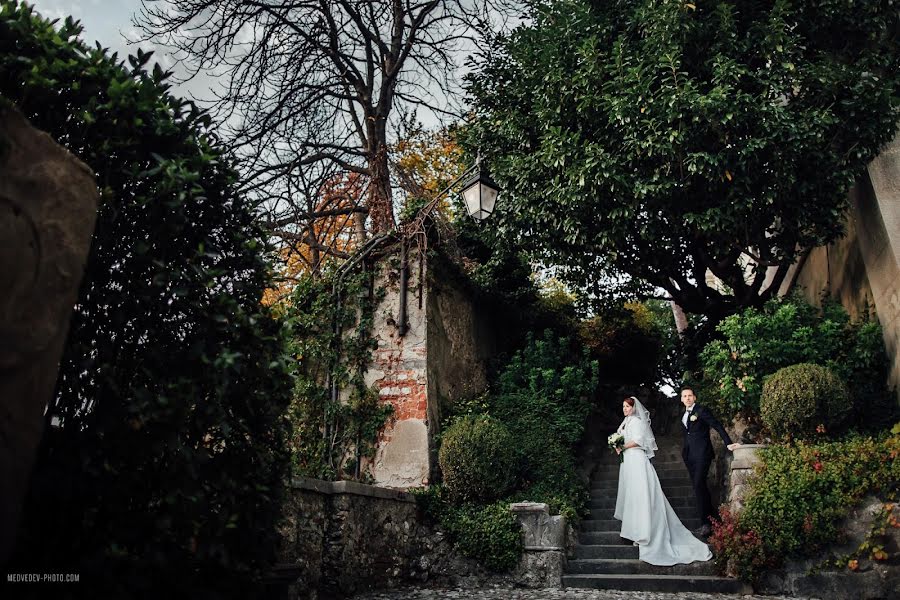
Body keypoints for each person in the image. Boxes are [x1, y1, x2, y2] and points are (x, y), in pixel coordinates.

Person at [613, 396, 712, 565]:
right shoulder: (625, 422)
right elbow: (621, 438)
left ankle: (644, 531)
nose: (625, 409)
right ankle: (633, 530)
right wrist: (616, 445)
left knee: (641, 494)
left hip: (636, 460)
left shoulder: (636, 421)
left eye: (627, 407)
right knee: (633, 496)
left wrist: (622, 446)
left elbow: (638, 441)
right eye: (623, 407)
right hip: (627, 461)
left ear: (633, 408)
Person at [680, 386, 741, 536]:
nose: (687, 398)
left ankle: (706, 524)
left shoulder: (701, 410)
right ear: (682, 399)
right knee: (698, 487)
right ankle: (712, 519)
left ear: (694, 398)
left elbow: (717, 425)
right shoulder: (684, 415)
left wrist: (728, 442)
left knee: (699, 484)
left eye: (690, 396)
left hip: (702, 454)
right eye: (684, 396)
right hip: (689, 456)